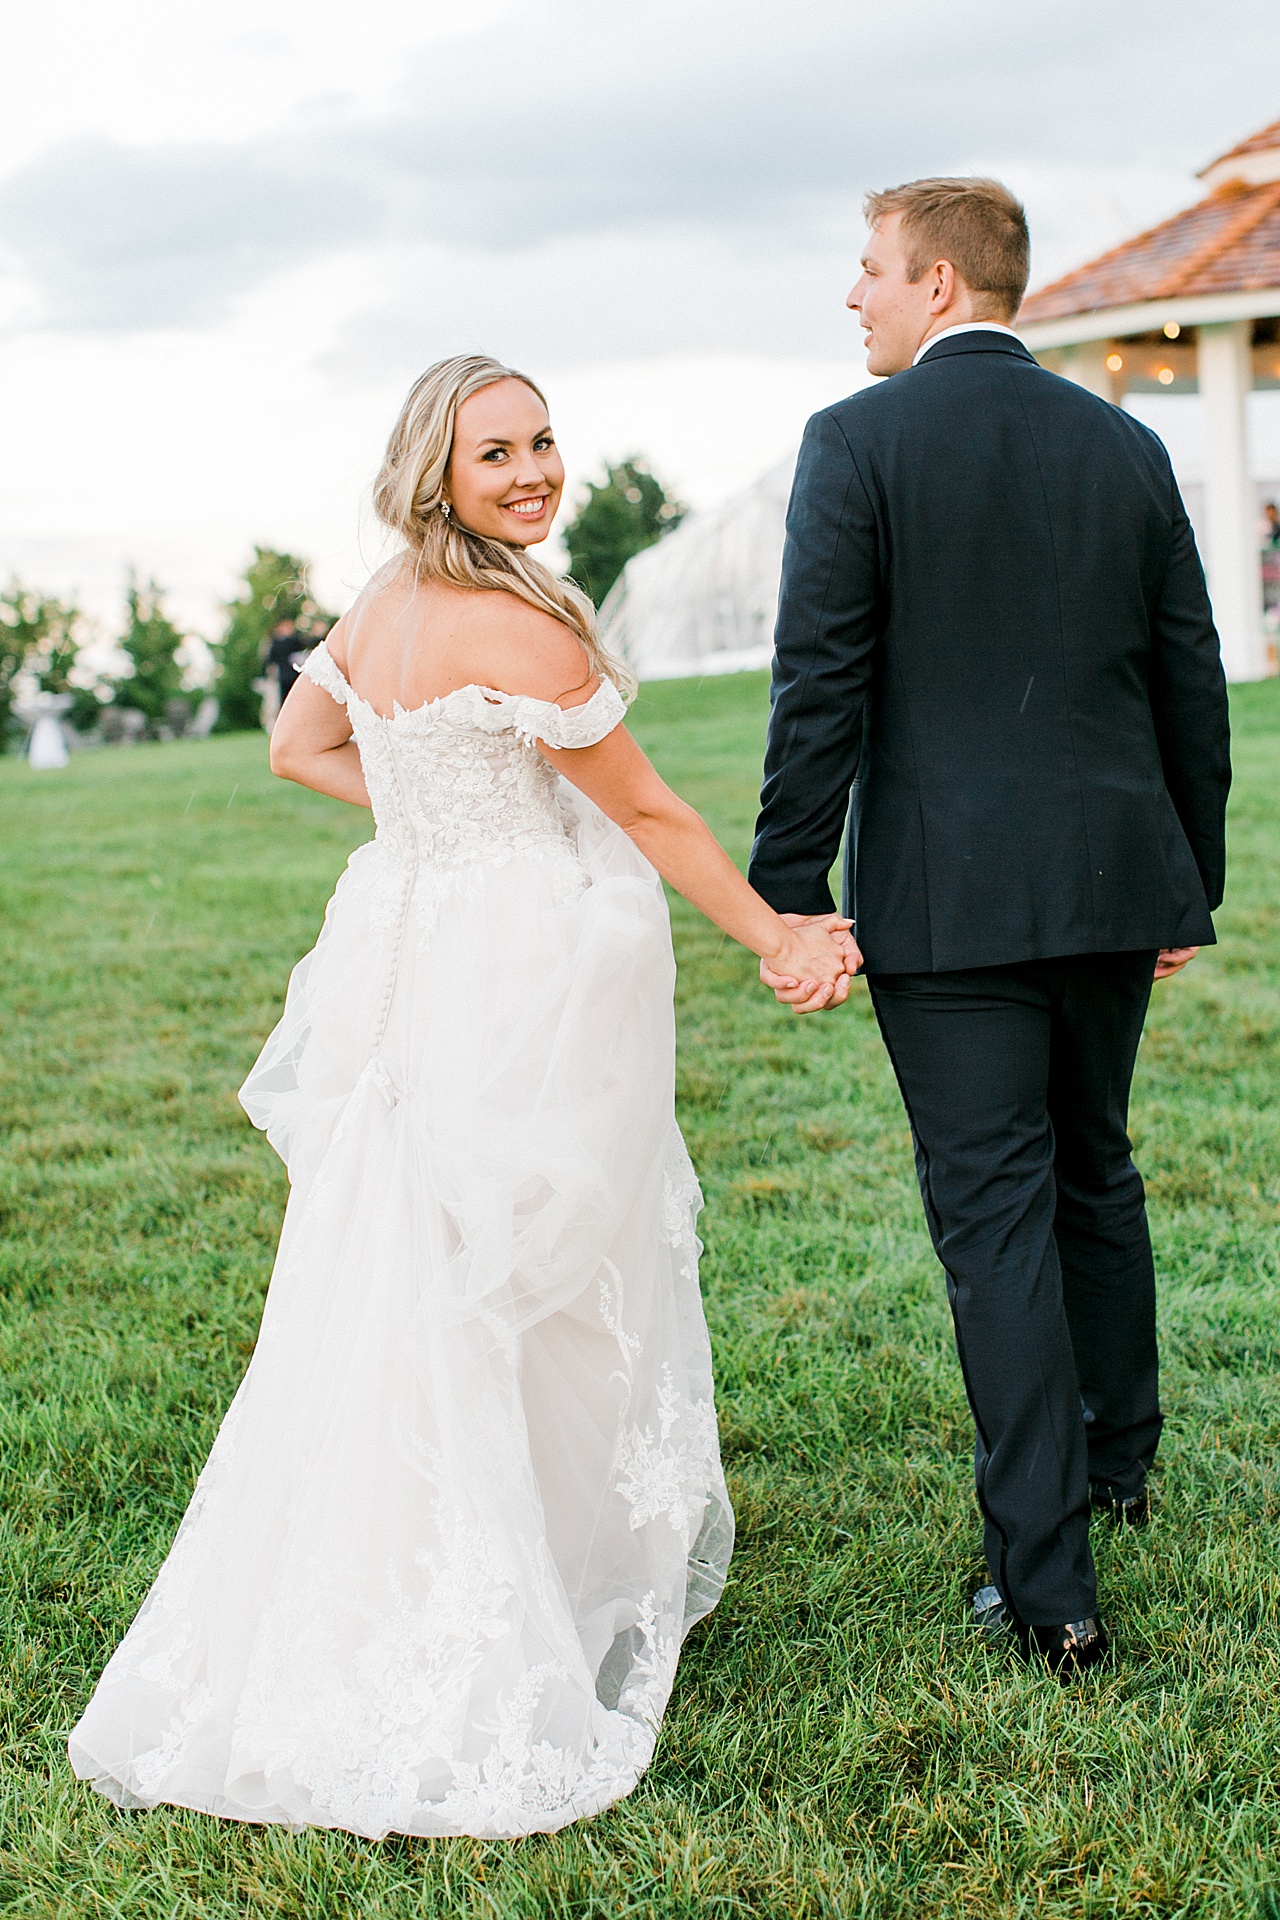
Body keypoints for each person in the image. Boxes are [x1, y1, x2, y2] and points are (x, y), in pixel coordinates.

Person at [67, 355, 852, 1838]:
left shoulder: (375, 606)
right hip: (515, 972)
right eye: (498, 453)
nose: (536, 471)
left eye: (545, 440)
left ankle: (414, 1563)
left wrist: (437, 807)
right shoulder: (525, 625)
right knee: (537, 1254)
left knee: (397, 1259)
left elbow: (305, 747)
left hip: (407, 955)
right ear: (438, 472)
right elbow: (648, 808)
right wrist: (775, 933)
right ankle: (511, 1583)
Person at [749, 178, 1231, 1678]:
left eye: (870, 274)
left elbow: (817, 684)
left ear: (941, 283)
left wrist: (788, 886)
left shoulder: (855, 443)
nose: (855, 299)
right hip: (1108, 881)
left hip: (950, 907)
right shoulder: (1127, 445)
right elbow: (1189, 685)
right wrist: (1185, 883)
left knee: (997, 1220)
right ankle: (1119, 1465)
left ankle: (1052, 1591)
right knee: (1095, 1165)